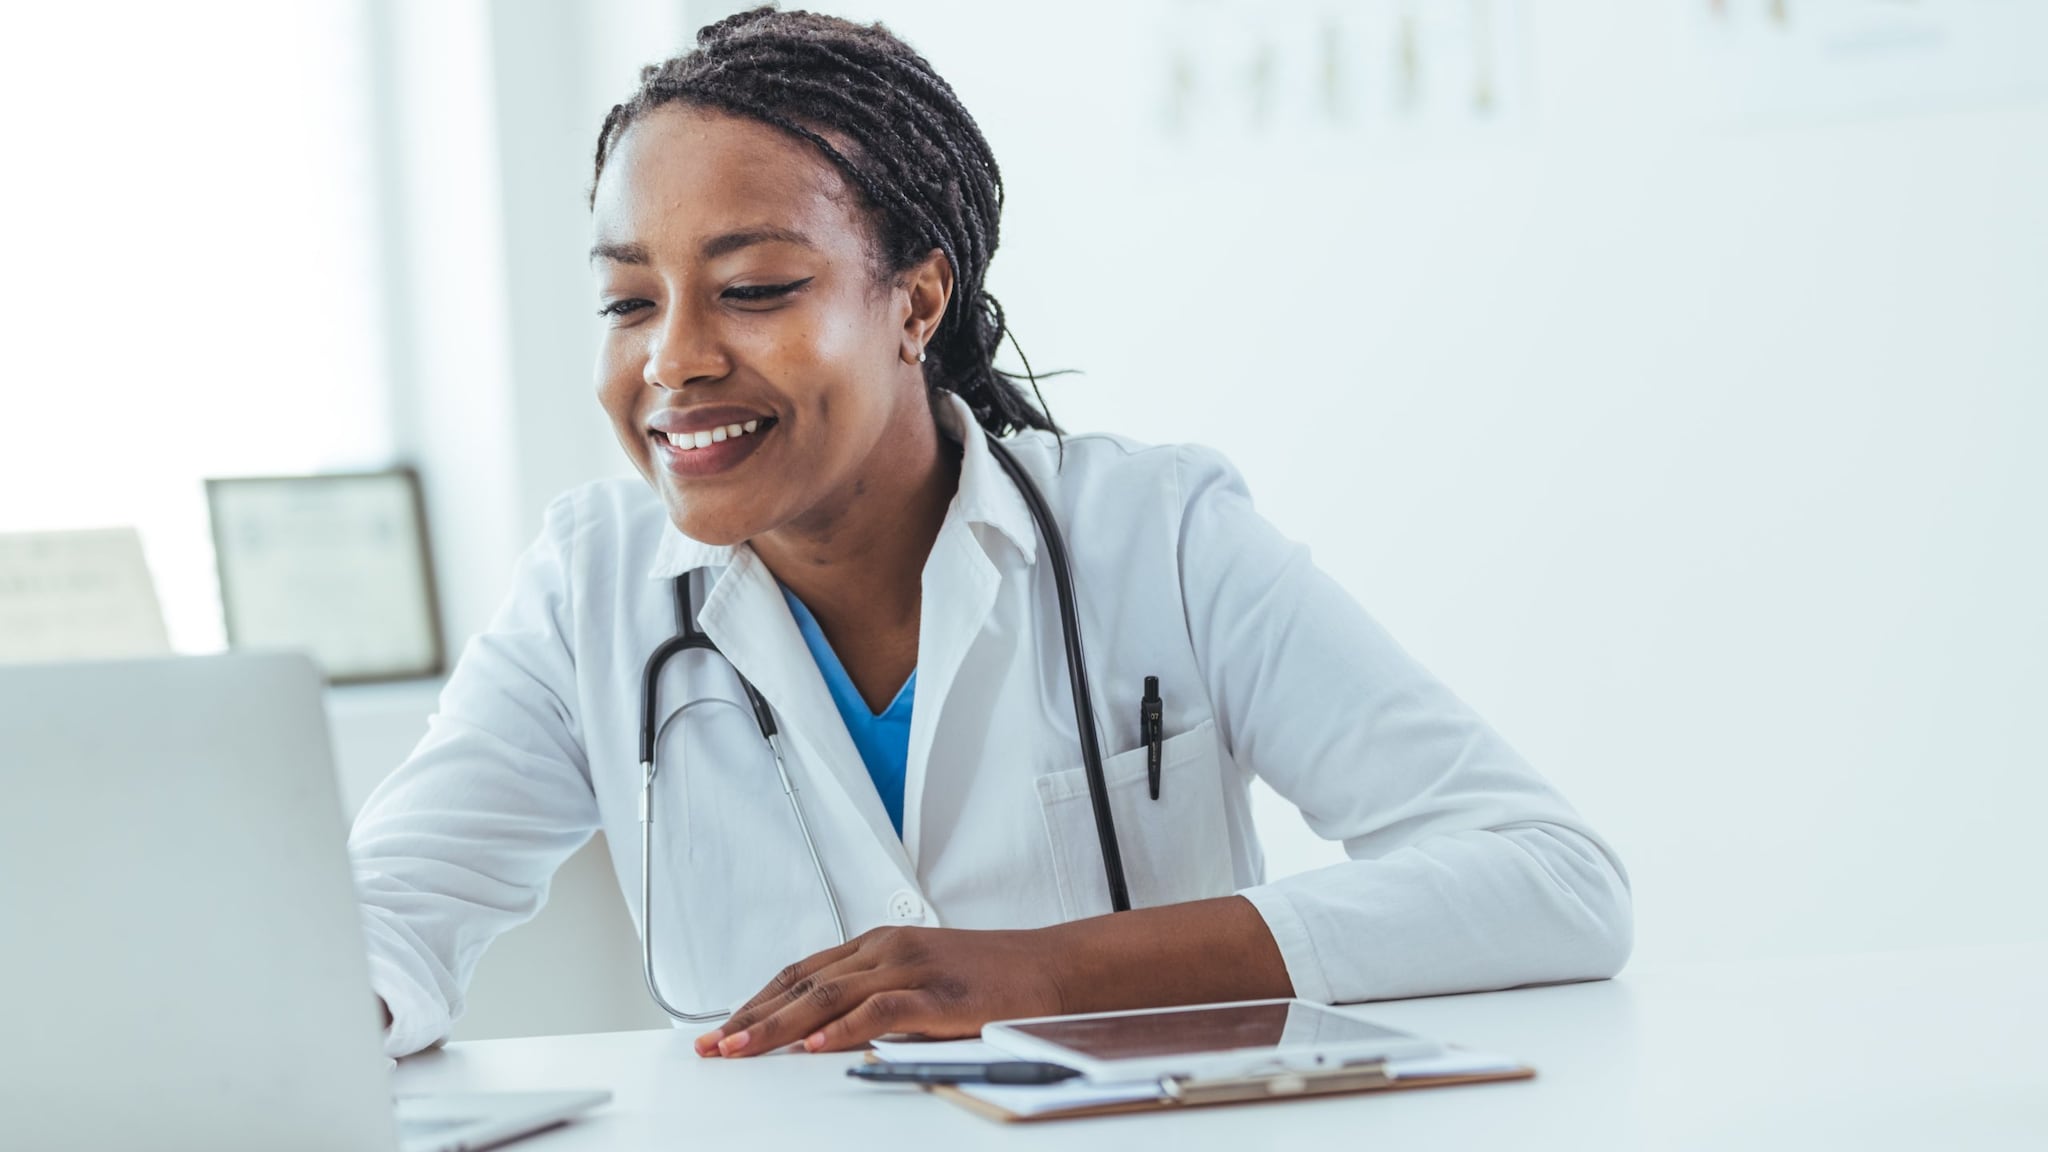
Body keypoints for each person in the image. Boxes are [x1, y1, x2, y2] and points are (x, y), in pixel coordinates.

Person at [349, 7, 1631, 1061]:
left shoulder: (1157, 534)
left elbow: (1545, 879)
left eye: (754, 290)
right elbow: (376, 920)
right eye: (628, 301)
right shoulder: (593, 587)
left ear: (913, 300)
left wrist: (1048, 972)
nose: (673, 359)